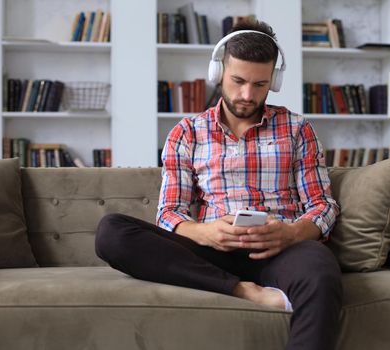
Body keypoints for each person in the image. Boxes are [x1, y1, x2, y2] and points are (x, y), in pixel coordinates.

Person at [96, 20, 343, 350]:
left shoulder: (297, 129)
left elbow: (323, 206)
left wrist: (291, 234)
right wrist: (205, 232)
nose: (247, 95)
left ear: (274, 81)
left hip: (281, 248)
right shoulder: (187, 133)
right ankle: (242, 290)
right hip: (211, 251)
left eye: (260, 84)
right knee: (112, 232)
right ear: (218, 72)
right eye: (238, 81)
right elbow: (169, 213)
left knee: (321, 270)